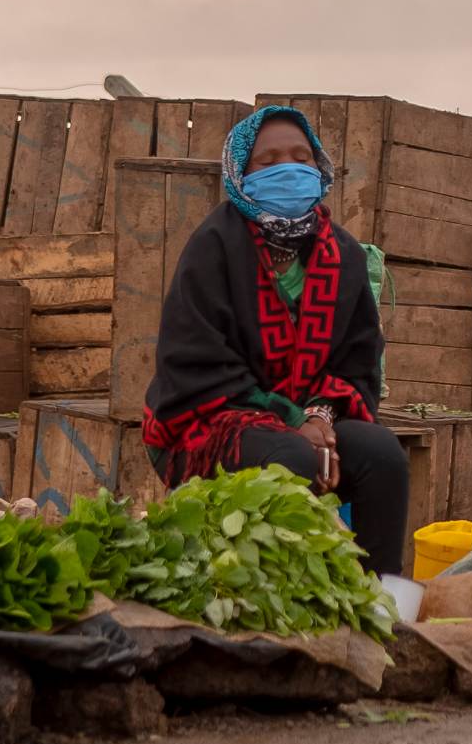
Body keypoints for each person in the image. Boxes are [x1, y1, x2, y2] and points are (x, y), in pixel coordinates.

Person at [141, 106, 409, 572]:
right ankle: (282, 593)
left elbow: (357, 360)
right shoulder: (214, 248)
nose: (290, 169)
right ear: (240, 175)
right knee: (290, 456)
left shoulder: (341, 253)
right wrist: (290, 420)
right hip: (209, 418)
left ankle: (378, 601)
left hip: (308, 413)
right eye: (268, 162)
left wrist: (321, 413)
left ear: (320, 168)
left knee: (381, 454)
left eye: (302, 158)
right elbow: (199, 366)